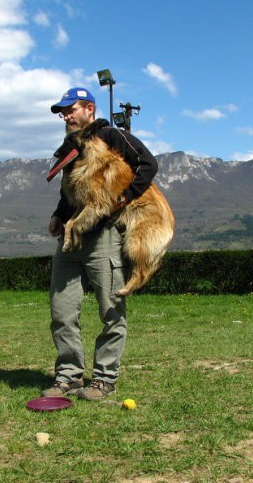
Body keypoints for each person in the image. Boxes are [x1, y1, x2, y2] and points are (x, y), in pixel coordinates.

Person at [42, 87, 159, 401]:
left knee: (110, 310)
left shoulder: (113, 135)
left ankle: (105, 379)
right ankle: (69, 377)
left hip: (104, 236)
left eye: (71, 110)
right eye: (63, 112)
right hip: (71, 237)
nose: (66, 116)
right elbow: (73, 189)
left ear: (89, 109)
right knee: (62, 311)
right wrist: (57, 214)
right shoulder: (71, 146)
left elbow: (148, 165)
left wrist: (123, 199)